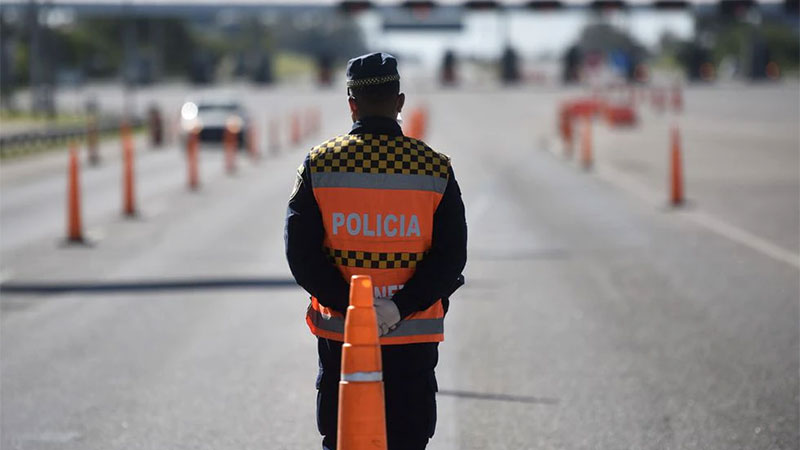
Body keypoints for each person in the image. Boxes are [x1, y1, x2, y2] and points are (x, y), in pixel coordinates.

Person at [285, 52, 467, 450]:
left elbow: (301, 255)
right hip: (413, 338)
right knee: (408, 439)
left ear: (351, 103)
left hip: (344, 340)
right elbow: (452, 256)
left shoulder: (320, 164)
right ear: (400, 102)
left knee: (347, 436)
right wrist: (400, 307)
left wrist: (353, 307)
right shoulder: (434, 168)